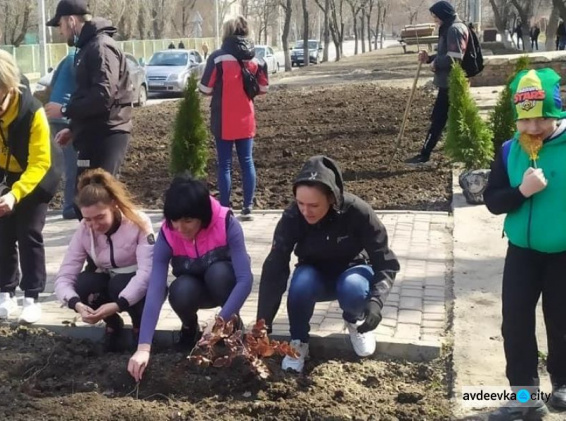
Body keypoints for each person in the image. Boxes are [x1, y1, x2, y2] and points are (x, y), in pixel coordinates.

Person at [256, 156, 400, 372]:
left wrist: (376, 303)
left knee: (353, 287)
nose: (306, 211)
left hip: (354, 270)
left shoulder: (358, 212)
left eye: (314, 205)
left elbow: (385, 260)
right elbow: (275, 267)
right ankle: (299, 342)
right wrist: (263, 322)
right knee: (300, 284)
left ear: (332, 198)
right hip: (314, 274)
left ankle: (355, 321)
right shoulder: (292, 217)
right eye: (300, 203)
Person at [483, 67, 566, 420]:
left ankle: (562, 383)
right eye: (525, 121)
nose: (533, 129)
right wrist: (522, 191)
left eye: (543, 119)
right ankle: (524, 396)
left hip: (563, 254)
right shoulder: (507, 151)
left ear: (557, 113)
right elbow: (492, 200)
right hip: (521, 252)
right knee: (515, 322)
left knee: (561, 320)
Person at [0, 49, 60, 324]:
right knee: (2, 235)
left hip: (35, 176)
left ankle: (32, 297)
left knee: (28, 233)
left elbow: (40, 162)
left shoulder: (32, 111)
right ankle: (6, 294)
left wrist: (15, 196)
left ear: (10, 90)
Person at [127, 174, 253, 382]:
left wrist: (219, 321)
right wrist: (143, 347)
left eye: (188, 220)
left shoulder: (226, 223)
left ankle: (232, 329)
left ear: (202, 216)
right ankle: (189, 328)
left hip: (223, 286)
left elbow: (245, 280)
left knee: (219, 273)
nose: (180, 228)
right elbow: (156, 288)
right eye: (175, 221)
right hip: (194, 288)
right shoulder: (167, 234)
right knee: (180, 289)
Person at [54, 168, 154, 352]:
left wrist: (118, 304)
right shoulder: (84, 229)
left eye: (100, 217)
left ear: (114, 205)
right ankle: (113, 324)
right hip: (109, 279)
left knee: (120, 286)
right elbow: (65, 276)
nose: (94, 225)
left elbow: (147, 273)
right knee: (84, 284)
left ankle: (140, 328)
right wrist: (76, 304)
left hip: (139, 284)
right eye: (88, 219)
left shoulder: (138, 222)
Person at [48, 0, 133, 191]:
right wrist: (73, 128)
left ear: (71, 20)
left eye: (60, 25)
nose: (60, 32)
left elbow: (103, 96)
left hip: (107, 134)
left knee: (99, 198)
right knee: (85, 199)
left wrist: (63, 109)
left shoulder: (100, 48)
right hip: (93, 133)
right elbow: (88, 94)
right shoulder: (89, 47)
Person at [199, 16, 268, 221]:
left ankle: (225, 209)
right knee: (247, 162)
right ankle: (248, 207)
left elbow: (204, 89)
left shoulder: (218, 57)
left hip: (223, 119)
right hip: (246, 118)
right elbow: (263, 88)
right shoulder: (257, 58)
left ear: (227, 32)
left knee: (225, 165)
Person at [406, 1, 468, 165]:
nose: (435, 20)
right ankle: (455, 152)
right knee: (445, 119)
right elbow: (446, 54)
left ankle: (425, 155)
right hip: (448, 82)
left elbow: (455, 57)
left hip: (451, 83)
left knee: (439, 119)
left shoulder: (454, 29)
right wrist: (430, 59)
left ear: (444, 14)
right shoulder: (450, 27)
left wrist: (436, 63)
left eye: (436, 16)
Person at [42, 49, 79, 220]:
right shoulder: (78, 59)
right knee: (74, 164)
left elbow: (53, 82)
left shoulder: (68, 57)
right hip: (66, 115)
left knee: (66, 162)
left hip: (55, 112)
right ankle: (70, 206)